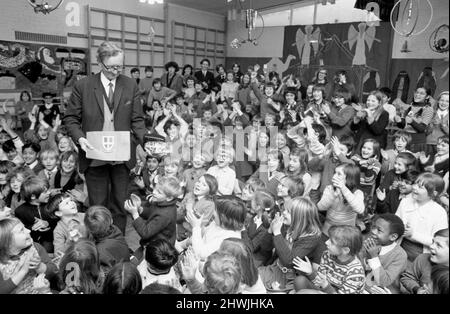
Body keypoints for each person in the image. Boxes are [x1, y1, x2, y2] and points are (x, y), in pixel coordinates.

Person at [63, 41, 146, 234]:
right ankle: (98, 241)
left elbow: (137, 120)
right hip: (94, 155)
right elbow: (71, 118)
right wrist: (80, 138)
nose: (116, 71)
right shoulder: (83, 86)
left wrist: (146, 143)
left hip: (122, 155)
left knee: (120, 202)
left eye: (120, 66)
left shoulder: (130, 84)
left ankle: (117, 241)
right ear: (100, 63)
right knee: (97, 204)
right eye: (112, 67)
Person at [293, 225, 365, 294]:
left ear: (345, 250)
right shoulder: (327, 254)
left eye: (332, 242)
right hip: (326, 289)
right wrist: (311, 273)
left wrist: (325, 285)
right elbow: (320, 282)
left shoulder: (355, 271)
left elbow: (324, 285)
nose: (326, 242)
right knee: (300, 281)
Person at [395, 173, 448, 261]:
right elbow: (395, 221)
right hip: (399, 243)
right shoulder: (405, 202)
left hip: (421, 252)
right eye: (415, 184)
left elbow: (439, 241)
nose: (414, 187)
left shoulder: (439, 212)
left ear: (433, 193)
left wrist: (413, 234)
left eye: (420, 187)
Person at [361, 214, 407, 293]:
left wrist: (374, 257)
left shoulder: (400, 255)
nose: (373, 231)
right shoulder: (370, 240)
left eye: (379, 230)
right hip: (362, 287)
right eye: (373, 227)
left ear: (393, 237)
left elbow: (384, 282)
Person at [400, 229, 449, 294]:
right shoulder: (423, 258)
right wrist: (416, 289)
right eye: (432, 242)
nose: (431, 246)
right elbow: (407, 277)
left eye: (438, 245)